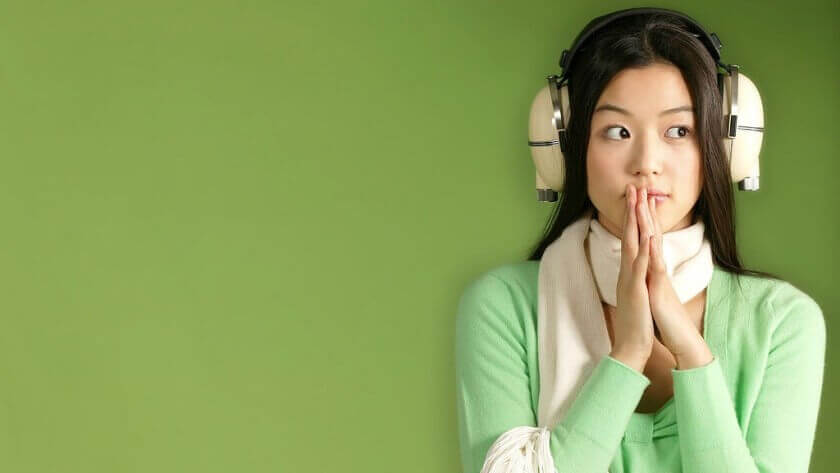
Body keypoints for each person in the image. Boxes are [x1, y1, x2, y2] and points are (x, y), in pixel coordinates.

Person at [454, 11, 825, 473]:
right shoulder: (505, 305)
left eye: (679, 131)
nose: (646, 162)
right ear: (565, 148)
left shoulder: (782, 322)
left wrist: (692, 355)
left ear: (722, 147)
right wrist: (628, 353)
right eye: (618, 131)